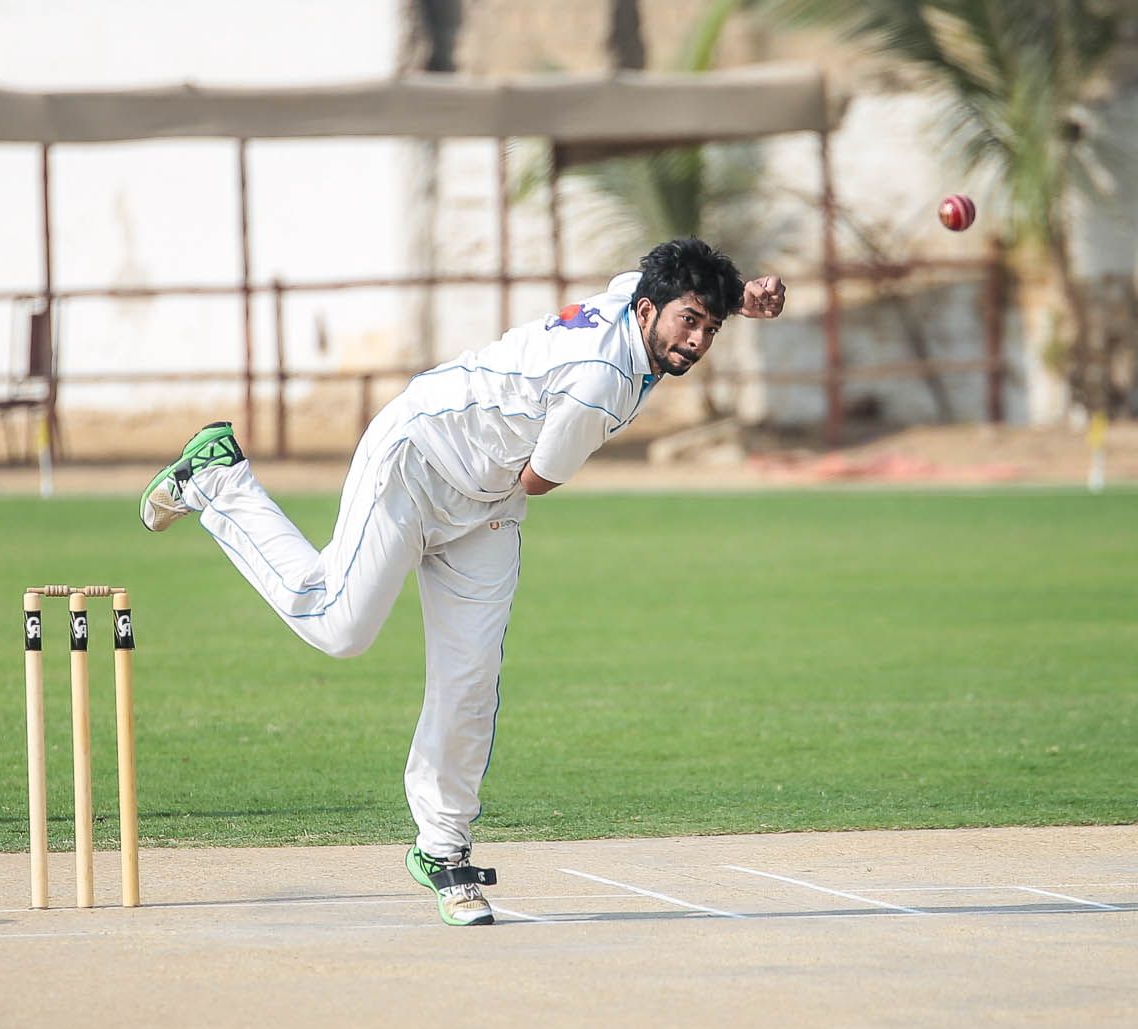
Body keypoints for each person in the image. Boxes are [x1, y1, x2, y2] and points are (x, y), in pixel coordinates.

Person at [139, 237, 785, 925]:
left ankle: (443, 850)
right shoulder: (599, 382)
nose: (697, 341)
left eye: (710, 328)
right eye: (690, 321)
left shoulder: (634, 295)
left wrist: (737, 295)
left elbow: (659, 286)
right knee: (337, 626)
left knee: (470, 678)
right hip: (418, 460)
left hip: (485, 502)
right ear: (649, 310)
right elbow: (539, 478)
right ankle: (219, 481)